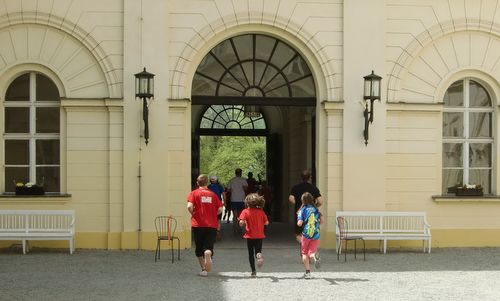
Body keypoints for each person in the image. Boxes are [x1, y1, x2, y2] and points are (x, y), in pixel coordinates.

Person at [187, 174, 223, 277]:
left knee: (199, 248)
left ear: (197, 183)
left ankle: (203, 269)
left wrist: (194, 213)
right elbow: (220, 209)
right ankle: (208, 252)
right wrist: (213, 214)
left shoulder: (194, 193)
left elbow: (189, 206)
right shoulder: (213, 194)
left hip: (198, 224)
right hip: (211, 224)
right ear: (207, 183)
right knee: (208, 245)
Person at [239, 193, 269, 277]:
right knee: (258, 250)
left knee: (250, 253)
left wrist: (241, 223)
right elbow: (267, 222)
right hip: (260, 235)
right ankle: (259, 255)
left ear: (247, 203)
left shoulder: (245, 211)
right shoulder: (261, 212)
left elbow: (241, 221)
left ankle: (253, 271)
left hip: (250, 235)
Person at [288, 169, 323, 242]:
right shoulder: (314, 188)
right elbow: (320, 201)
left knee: (299, 233)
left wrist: (297, 203)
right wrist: (315, 206)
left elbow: (291, 198)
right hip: (311, 214)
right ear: (309, 178)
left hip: (300, 213)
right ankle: (311, 250)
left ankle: (303, 248)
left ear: (301, 177)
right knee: (312, 232)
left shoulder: (295, 187)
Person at [297, 192, 323, 279]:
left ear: (303, 200)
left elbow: (299, 223)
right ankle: (315, 257)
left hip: (306, 234)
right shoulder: (316, 209)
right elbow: (322, 221)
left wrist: (299, 220)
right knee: (312, 252)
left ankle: (307, 273)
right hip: (316, 233)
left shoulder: (303, 210)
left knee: (304, 253)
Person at [227, 168, 248, 233]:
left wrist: (234, 190)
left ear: (235, 173)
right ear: (241, 173)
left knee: (235, 215)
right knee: (241, 215)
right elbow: (246, 188)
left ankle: (235, 228)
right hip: (241, 199)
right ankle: (240, 228)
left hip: (234, 199)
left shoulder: (231, 180)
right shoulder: (243, 180)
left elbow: (228, 190)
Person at [207, 175, 225, 240]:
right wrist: (224, 202)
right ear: (217, 180)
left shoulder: (208, 187)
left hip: (210, 205)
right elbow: (223, 194)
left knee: (211, 218)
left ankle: (211, 232)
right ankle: (217, 231)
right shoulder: (220, 186)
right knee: (218, 219)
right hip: (218, 204)